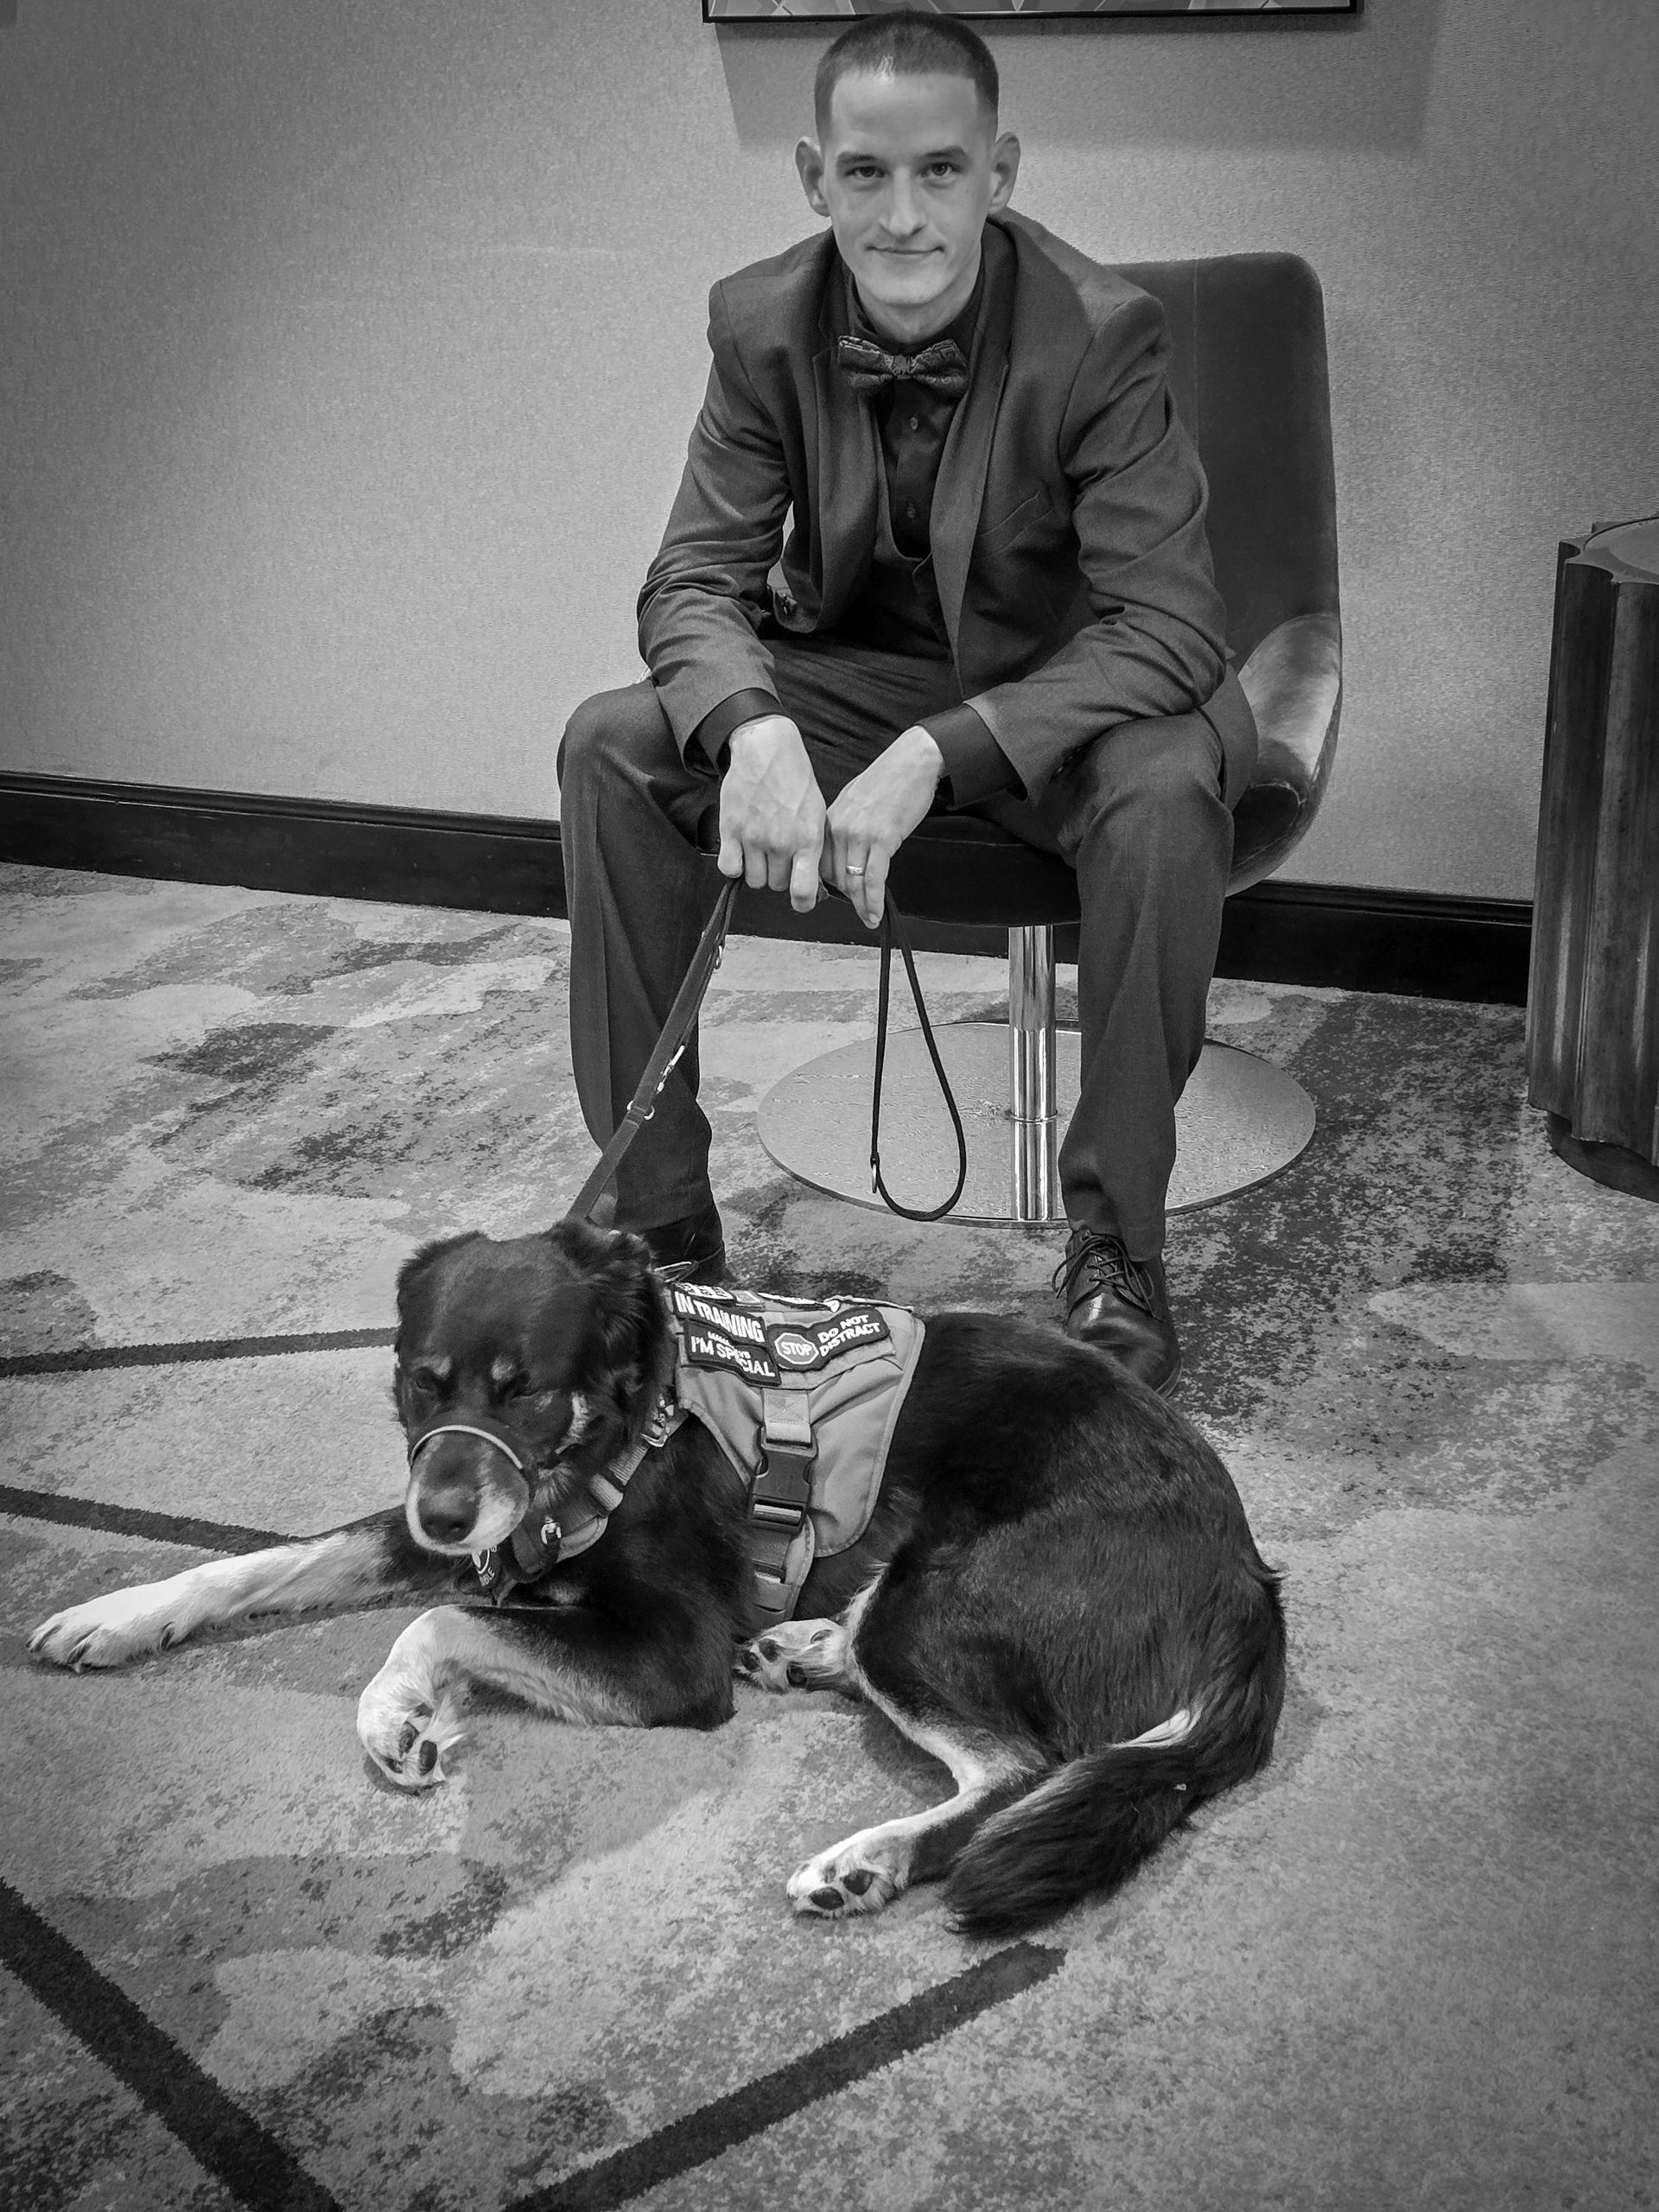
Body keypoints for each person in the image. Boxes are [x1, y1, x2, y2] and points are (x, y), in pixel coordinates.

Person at [557, 10, 1256, 1395]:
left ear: (1000, 171)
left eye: (940, 171)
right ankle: (662, 1234)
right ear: (814, 177)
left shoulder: (1102, 333)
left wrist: (942, 752)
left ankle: (1117, 1244)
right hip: (857, 675)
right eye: (866, 174)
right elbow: (692, 578)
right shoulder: (761, 321)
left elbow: (1172, 626)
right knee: (614, 746)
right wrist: (755, 724)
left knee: (1169, 790)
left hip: (1076, 695)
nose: (903, 216)